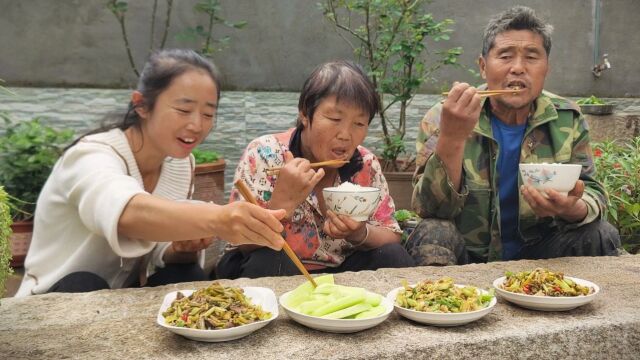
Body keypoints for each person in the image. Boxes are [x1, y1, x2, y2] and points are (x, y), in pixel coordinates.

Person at [16, 49, 288, 296]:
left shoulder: (181, 164)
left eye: (208, 114)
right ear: (142, 105)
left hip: (120, 294)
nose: (196, 125)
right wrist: (218, 218)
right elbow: (127, 213)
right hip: (55, 294)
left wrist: (179, 249)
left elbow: (154, 247)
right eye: (183, 109)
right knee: (84, 283)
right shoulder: (90, 156)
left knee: (188, 276)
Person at [407, 6, 621, 265]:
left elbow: (593, 191)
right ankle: (443, 304)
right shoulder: (446, 115)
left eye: (531, 57)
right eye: (506, 56)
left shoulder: (567, 117)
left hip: (540, 255)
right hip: (467, 258)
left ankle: (576, 304)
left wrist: (571, 208)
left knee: (600, 234)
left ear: (546, 69)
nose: (518, 68)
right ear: (483, 67)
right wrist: (452, 137)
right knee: (433, 232)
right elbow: (429, 209)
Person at [216, 60, 414, 279]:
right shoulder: (265, 154)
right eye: (335, 119)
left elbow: (392, 235)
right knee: (270, 258)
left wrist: (359, 233)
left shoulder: (365, 164)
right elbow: (243, 243)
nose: (346, 135)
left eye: (359, 124)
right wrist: (282, 204)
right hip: (268, 268)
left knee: (394, 256)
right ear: (304, 113)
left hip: (338, 272)